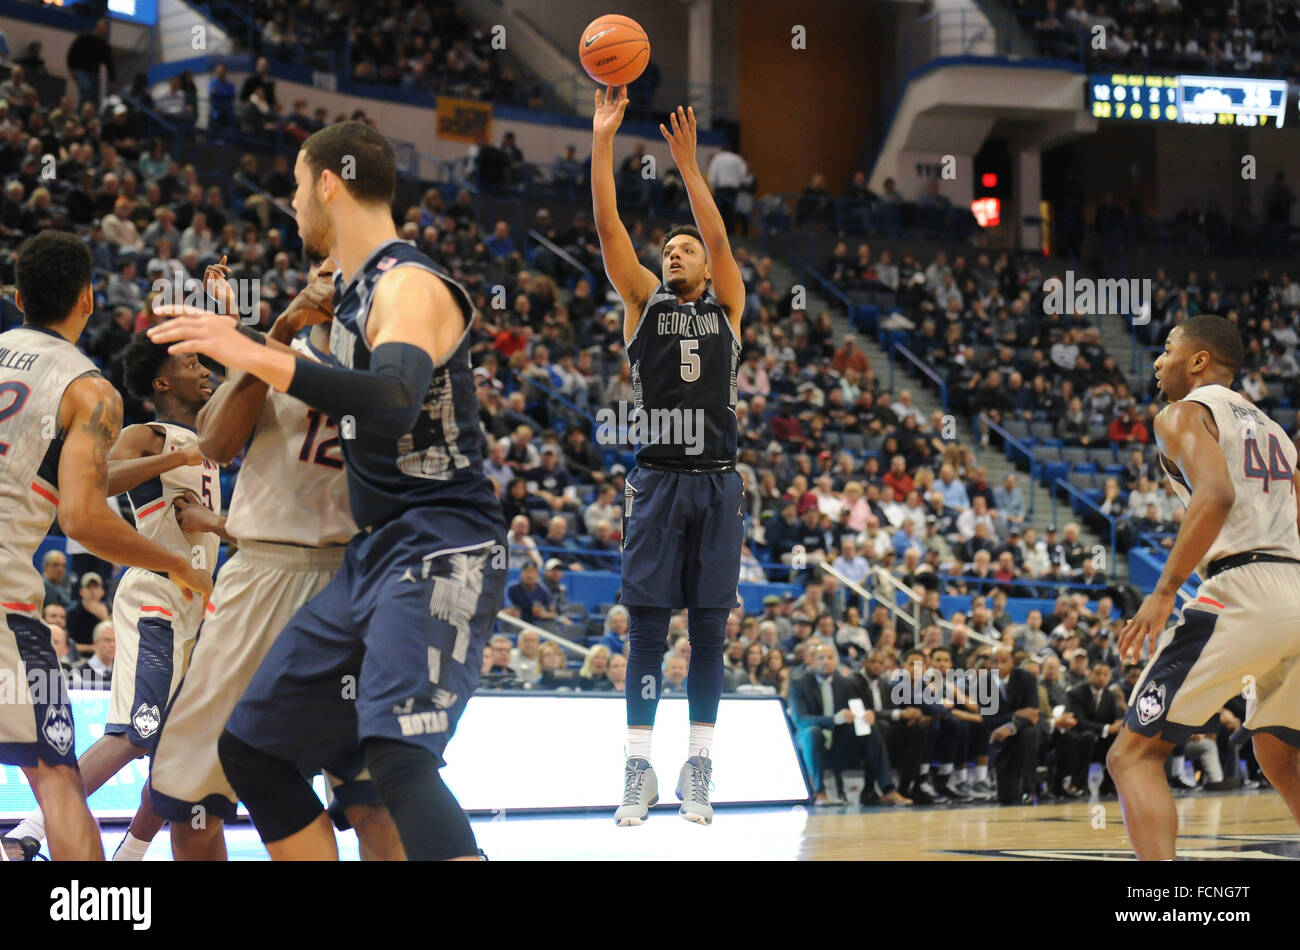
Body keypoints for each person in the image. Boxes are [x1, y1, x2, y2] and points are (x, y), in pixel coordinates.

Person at [148, 121, 508, 861]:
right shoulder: (344, 302)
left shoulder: (408, 283)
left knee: (395, 757)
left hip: (442, 542)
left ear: (327, 183)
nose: (291, 204)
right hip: (369, 556)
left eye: (294, 187)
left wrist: (253, 350)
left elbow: (393, 398)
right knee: (252, 749)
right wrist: (272, 340)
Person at [148, 263, 401, 861]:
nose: (334, 276)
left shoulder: (403, 364)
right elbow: (213, 445)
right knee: (193, 799)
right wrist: (280, 330)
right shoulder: (267, 348)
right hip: (265, 571)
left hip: (355, 578)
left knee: (375, 795)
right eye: (324, 265)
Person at [0, 231, 210, 863]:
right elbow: (85, 519)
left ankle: (135, 845)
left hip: (187, 617)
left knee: (168, 738)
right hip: (19, 606)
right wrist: (176, 563)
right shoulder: (91, 391)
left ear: (16, 297)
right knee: (60, 777)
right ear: (90, 299)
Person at [592, 87, 746, 828]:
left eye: (684, 249)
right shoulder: (642, 302)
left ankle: (699, 770)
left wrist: (689, 168)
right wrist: (602, 142)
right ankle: (637, 769)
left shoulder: (728, 306)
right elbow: (608, 226)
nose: (675, 252)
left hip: (718, 484)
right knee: (648, 628)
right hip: (656, 480)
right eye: (668, 249)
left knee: (710, 631)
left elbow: (720, 244)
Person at [1112, 314, 1300, 860]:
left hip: (1245, 589)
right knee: (1280, 751)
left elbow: (1214, 495)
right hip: (1295, 585)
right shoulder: (1275, 432)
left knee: (1132, 755)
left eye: (1168, 348)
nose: (1157, 360)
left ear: (1198, 361)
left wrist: (1166, 589)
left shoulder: (1183, 413)